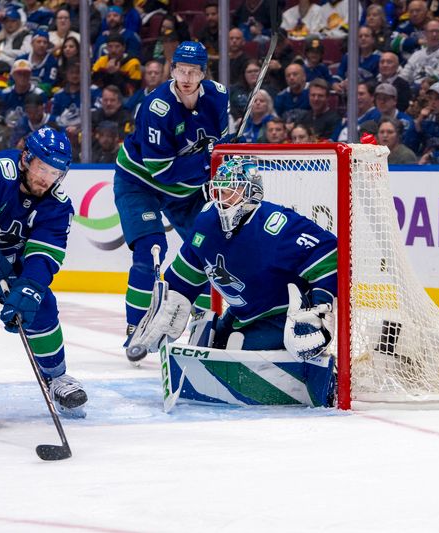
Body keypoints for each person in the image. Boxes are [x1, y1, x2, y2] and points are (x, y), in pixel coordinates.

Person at [128, 157, 337, 407]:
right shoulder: (207, 222)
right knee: (208, 337)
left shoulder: (276, 225)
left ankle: (316, 377)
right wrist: (169, 304)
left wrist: (319, 308)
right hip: (242, 313)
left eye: (229, 191)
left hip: (281, 316)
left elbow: (330, 255)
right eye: (218, 190)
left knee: (236, 347)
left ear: (251, 192)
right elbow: (184, 276)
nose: (220, 198)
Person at [113, 41, 229, 338]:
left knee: (207, 248)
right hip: (140, 182)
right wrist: (207, 162)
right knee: (150, 249)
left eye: (193, 71)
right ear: (172, 69)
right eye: (181, 70)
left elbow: (222, 151)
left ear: (204, 73)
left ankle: (205, 321)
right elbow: (161, 170)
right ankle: (135, 325)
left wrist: (226, 155)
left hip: (185, 190)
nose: (186, 78)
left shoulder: (217, 96)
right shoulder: (157, 107)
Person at [404, 81, 439, 165]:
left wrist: (431, 155)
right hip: (427, 162)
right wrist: (418, 122)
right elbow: (409, 146)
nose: (433, 102)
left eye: (437, 98)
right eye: (430, 98)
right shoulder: (426, 120)